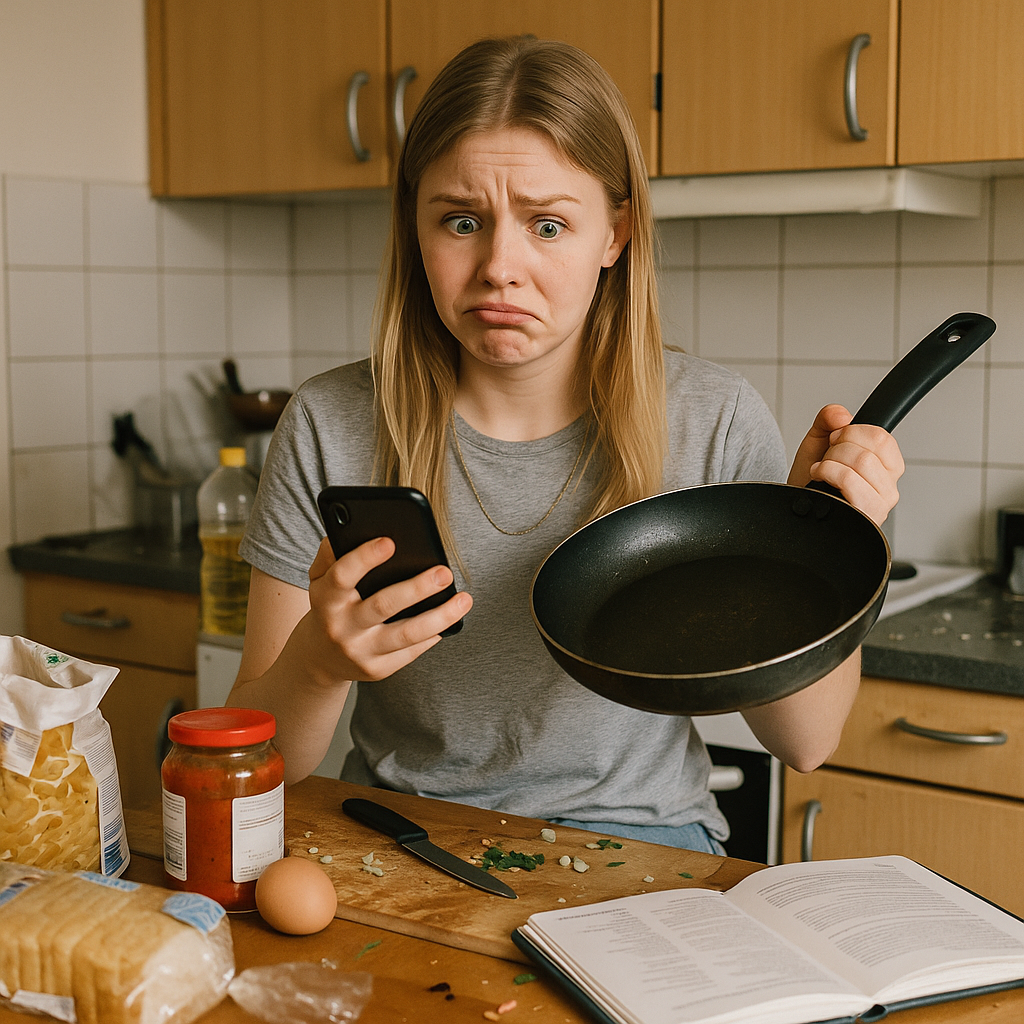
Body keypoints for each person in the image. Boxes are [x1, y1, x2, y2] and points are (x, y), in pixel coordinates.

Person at [228, 36, 904, 855]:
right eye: (461, 221)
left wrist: (820, 551)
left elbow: (807, 740)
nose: (499, 268)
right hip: (407, 837)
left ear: (614, 235)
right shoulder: (331, 423)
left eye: (548, 224)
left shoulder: (713, 418)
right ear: (414, 227)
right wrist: (318, 663)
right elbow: (267, 763)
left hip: (644, 846)